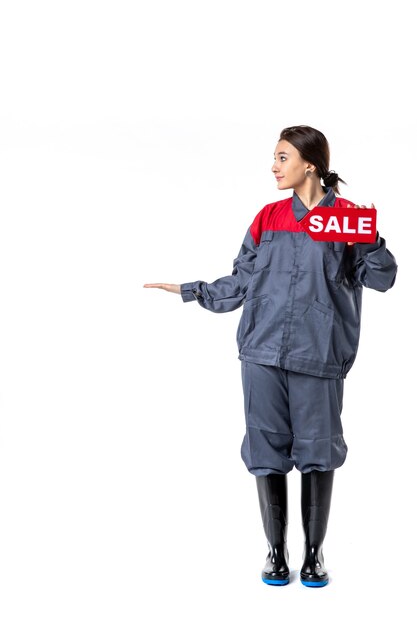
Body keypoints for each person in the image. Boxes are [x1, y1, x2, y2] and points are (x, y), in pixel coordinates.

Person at [143, 125, 397, 587]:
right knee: (265, 450)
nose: (274, 166)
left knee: (318, 452)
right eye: (274, 157)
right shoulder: (268, 217)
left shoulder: (347, 220)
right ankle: (276, 554)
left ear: (310, 164)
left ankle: (315, 556)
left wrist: (369, 238)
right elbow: (241, 280)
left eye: (282, 157)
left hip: (319, 355)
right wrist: (189, 289)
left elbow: (382, 279)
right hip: (260, 352)